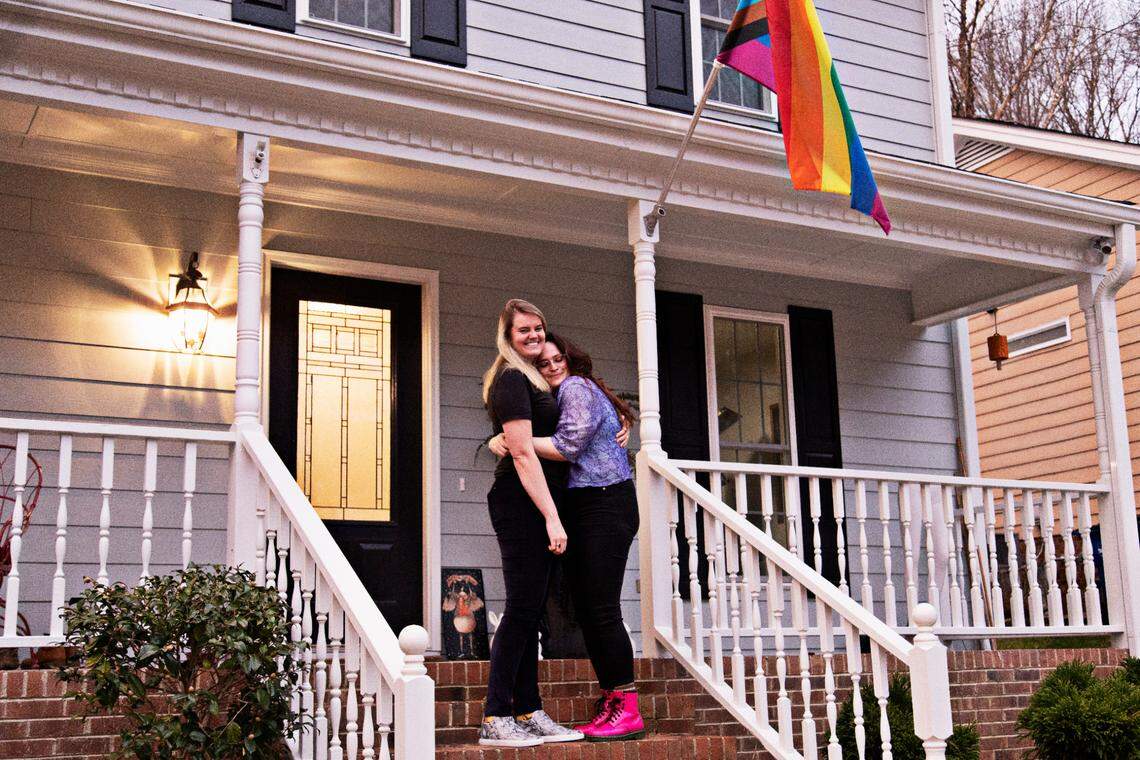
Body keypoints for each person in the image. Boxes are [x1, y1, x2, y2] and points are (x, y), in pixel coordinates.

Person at [489, 332, 644, 742]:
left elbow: (570, 446)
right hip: (589, 507)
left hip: (606, 503)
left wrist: (513, 442)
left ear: (572, 361)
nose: (553, 365)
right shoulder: (561, 396)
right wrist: (499, 439)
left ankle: (626, 706)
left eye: (559, 359)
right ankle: (614, 700)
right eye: (544, 363)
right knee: (591, 609)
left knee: (603, 609)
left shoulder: (576, 387)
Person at [478, 299, 583, 747]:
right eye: (524, 330)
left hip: (536, 503)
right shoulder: (511, 378)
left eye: (539, 327)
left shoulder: (534, 378)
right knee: (522, 607)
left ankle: (527, 709)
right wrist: (552, 517)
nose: (534, 336)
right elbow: (522, 453)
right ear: (508, 335)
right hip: (521, 504)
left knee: (530, 608)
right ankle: (496, 714)